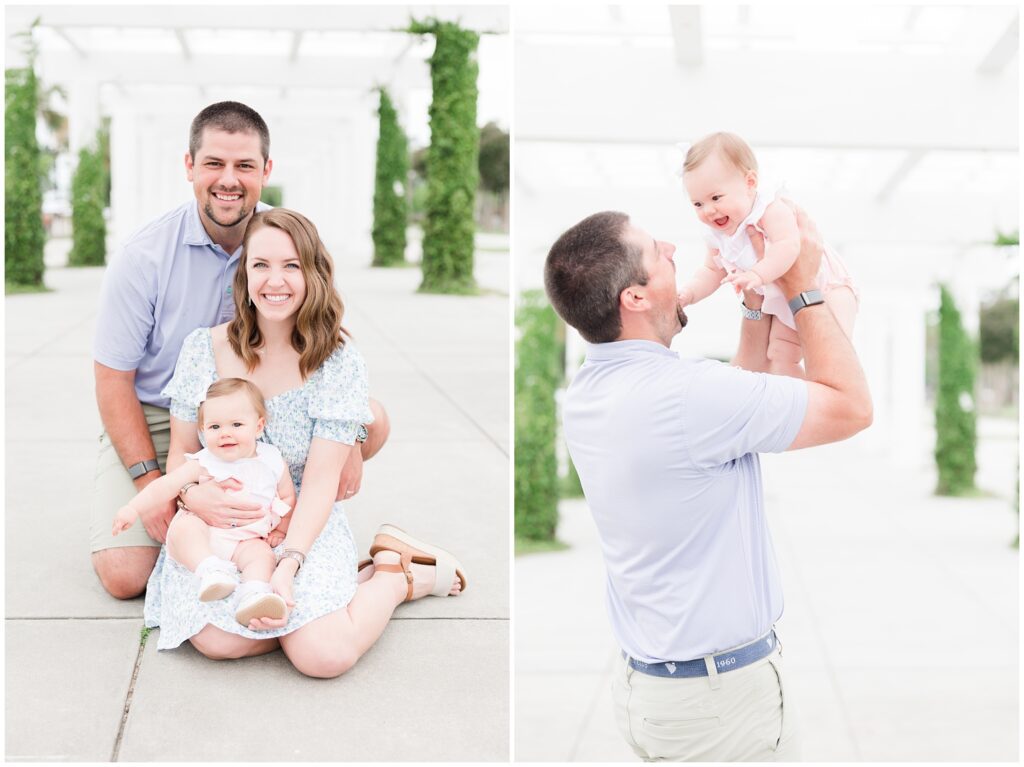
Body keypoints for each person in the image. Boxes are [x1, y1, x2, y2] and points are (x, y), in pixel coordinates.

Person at [543, 205, 871, 761]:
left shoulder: (592, 390)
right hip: (719, 708)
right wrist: (801, 288)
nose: (674, 248)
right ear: (635, 298)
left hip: (662, 693)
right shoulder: (688, 397)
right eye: (655, 251)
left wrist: (751, 303)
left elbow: (737, 398)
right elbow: (852, 407)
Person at [144, 207, 466, 677]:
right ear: (245, 274)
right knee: (217, 641)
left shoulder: (337, 361)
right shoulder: (203, 349)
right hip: (222, 528)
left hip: (299, 521)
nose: (275, 281)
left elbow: (318, 484)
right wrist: (194, 495)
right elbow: (182, 452)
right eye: (261, 265)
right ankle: (321, 610)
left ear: (313, 273)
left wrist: (287, 564)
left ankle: (396, 576)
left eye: (291, 266)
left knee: (323, 657)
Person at [90, 101, 389, 600]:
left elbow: (326, 348)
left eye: (244, 166)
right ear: (190, 167)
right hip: (164, 415)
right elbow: (112, 380)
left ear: (266, 171)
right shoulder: (142, 257)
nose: (228, 180)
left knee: (372, 417)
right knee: (125, 575)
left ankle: (304, 528)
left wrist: (352, 440)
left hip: (264, 409)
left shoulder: (284, 239)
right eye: (214, 164)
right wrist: (156, 486)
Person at [112, 377, 297, 626]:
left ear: (258, 426)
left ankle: (253, 594)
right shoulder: (204, 462)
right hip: (207, 534)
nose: (225, 433)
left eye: (236, 424)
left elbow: (287, 496)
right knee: (185, 528)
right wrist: (132, 508)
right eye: (214, 427)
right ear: (202, 430)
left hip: (248, 539)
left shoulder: (272, 460)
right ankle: (210, 570)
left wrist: (281, 528)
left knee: (262, 557)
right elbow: (166, 486)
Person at [676, 131, 858, 377]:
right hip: (785, 299)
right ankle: (801, 400)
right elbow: (710, 271)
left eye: (716, 197)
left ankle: (831, 391)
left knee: (832, 354)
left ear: (750, 183)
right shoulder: (717, 235)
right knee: (779, 354)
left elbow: (788, 246)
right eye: (698, 204)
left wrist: (757, 274)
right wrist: (689, 293)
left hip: (828, 287)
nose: (708, 210)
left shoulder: (768, 209)